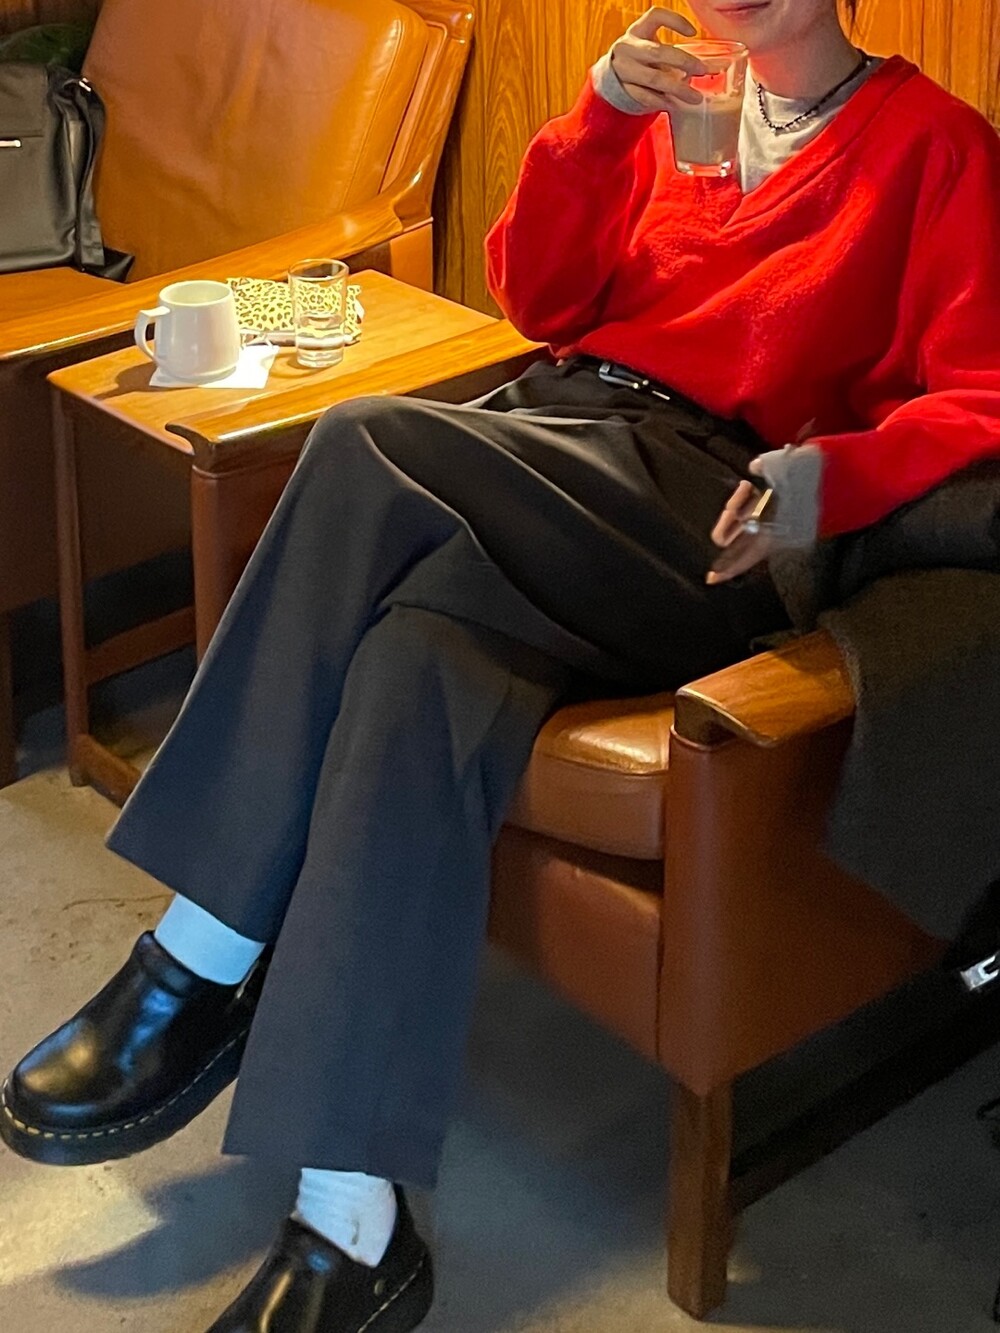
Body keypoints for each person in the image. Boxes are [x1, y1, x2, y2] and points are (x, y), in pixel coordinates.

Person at [3, 3, 1000, 1329]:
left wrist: (834, 481)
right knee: (417, 659)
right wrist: (600, 119)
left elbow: (983, 396)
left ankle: (203, 950)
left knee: (362, 444)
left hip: (710, 505)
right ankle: (352, 1225)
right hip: (563, 438)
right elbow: (542, 302)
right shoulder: (672, 101)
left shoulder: (934, 147)